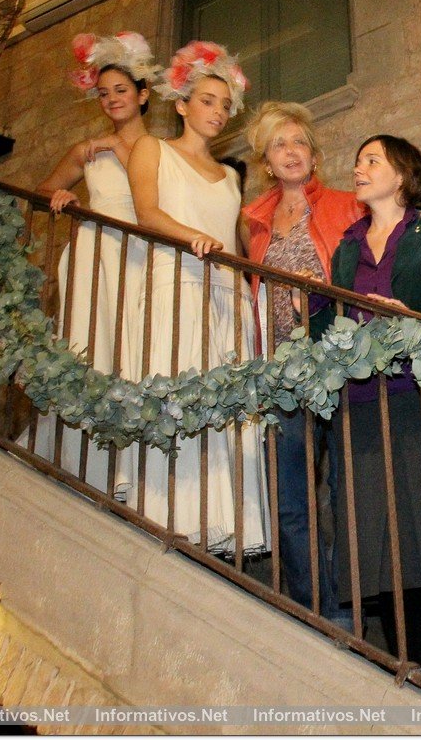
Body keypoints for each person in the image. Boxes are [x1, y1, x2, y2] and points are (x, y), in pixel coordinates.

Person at [326, 135, 421, 687]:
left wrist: (409, 320)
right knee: (383, 553)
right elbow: (332, 321)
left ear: (401, 173)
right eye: (357, 160)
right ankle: (411, 682)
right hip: (361, 411)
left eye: (372, 159)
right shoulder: (346, 248)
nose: (358, 167)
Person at [126, 41, 267, 558]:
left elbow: (240, 239)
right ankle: (169, 522)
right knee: (179, 402)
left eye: (225, 105)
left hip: (228, 297)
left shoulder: (231, 175)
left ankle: (221, 528)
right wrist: (193, 238)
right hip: (178, 286)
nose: (218, 112)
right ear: (182, 104)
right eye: (207, 101)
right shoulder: (153, 149)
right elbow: (146, 213)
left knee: (229, 416)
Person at [241, 103, 364, 609]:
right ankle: (314, 607)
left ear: (314, 155)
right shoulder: (255, 223)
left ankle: (352, 603)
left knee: (348, 488)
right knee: (292, 498)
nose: (291, 152)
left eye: (299, 142)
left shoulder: (346, 206)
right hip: (281, 372)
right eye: (279, 144)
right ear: (266, 162)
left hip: (338, 363)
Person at [32, 32, 156, 501]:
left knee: (136, 346)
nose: (111, 100)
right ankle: (81, 460)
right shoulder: (87, 149)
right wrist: (63, 196)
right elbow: (42, 190)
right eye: (103, 93)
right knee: (91, 345)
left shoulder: (159, 149)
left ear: (143, 94)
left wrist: (120, 149)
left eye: (121, 90)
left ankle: (130, 465)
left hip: (141, 252)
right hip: (93, 251)